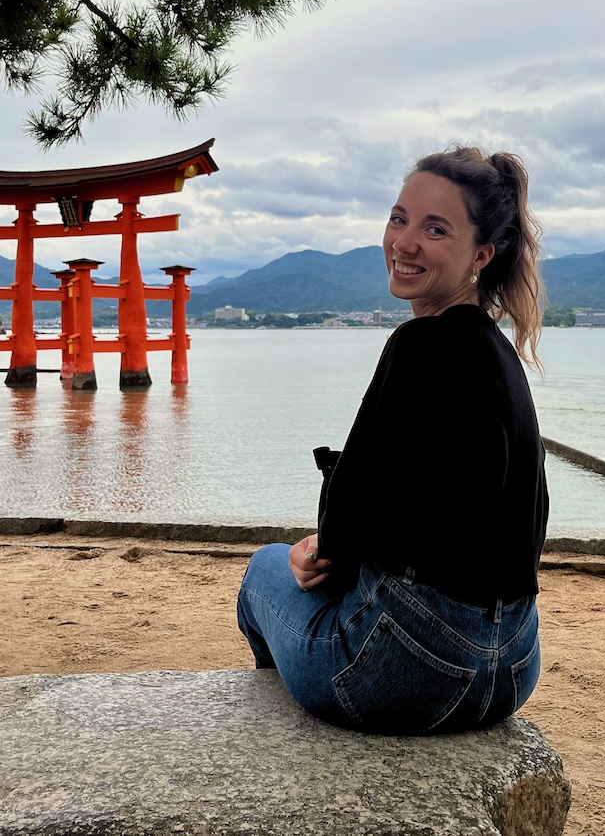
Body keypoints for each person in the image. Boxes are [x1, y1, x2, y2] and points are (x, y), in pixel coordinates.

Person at [236, 146, 550, 736]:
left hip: (409, 670)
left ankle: (287, 750)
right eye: (399, 218)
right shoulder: (502, 357)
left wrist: (315, 550)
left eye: (435, 229)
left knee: (264, 571)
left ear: (481, 254)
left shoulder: (419, 345)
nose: (404, 242)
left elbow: (346, 524)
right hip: (511, 668)